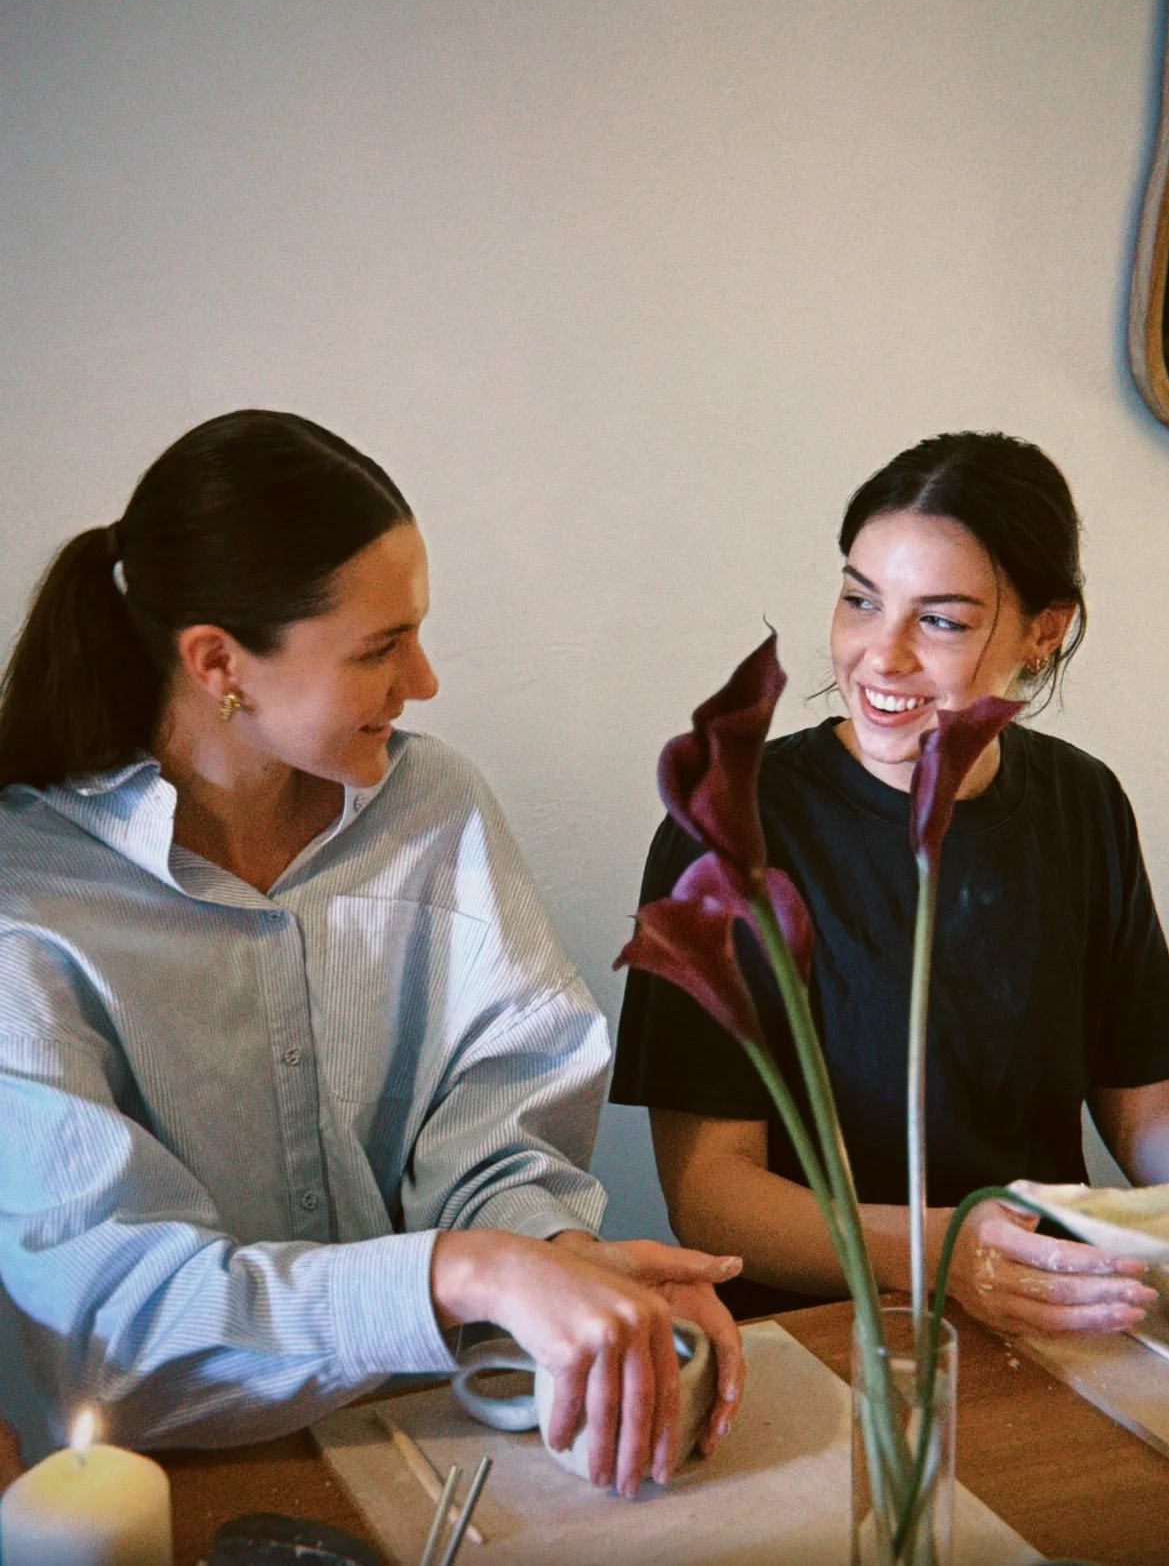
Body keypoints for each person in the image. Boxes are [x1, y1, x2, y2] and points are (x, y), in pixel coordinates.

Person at [0, 409, 743, 1498]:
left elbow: (498, 1134)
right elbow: (124, 1330)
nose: (425, 679)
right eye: (380, 647)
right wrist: (469, 1273)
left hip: (459, 1454)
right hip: (181, 1498)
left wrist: (561, 1262)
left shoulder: (436, 807)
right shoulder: (28, 907)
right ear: (218, 662)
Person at [613, 431, 1169, 1337]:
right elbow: (709, 1192)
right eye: (861, 600)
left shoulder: (1084, 802)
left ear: (1045, 632)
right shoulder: (732, 823)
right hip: (825, 1340)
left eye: (940, 620)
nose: (882, 655)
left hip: (1041, 1324)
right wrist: (945, 1251)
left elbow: (1145, 1104)